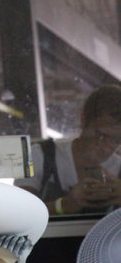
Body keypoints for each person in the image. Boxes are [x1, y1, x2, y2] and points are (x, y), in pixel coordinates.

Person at [16, 84, 121, 216]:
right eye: (100, 135)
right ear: (83, 120)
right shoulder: (38, 155)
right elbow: (19, 213)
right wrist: (64, 205)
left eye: (117, 140)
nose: (106, 147)